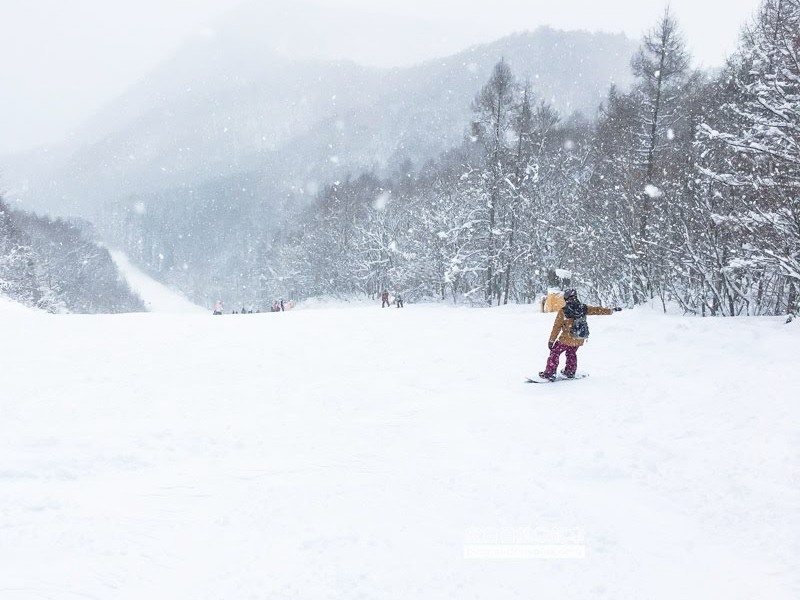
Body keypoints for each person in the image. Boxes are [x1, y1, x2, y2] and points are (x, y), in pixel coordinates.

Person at [538, 288, 621, 380]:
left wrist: (551, 340)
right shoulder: (583, 308)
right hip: (578, 338)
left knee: (555, 352)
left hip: (566, 338)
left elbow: (556, 327)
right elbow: (597, 310)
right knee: (571, 353)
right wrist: (611, 310)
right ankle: (570, 372)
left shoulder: (563, 311)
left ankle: (550, 373)